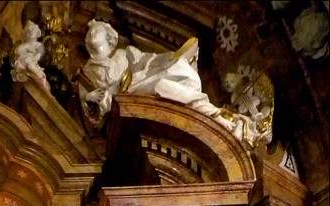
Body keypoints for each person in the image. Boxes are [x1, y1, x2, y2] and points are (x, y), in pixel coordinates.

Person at [79, 19, 236, 135]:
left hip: (138, 83)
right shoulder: (87, 72)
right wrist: (89, 98)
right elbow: (94, 117)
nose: (92, 32)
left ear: (108, 36)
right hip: (126, 98)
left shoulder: (124, 53)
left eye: (97, 29)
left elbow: (150, 60)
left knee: (179, 68)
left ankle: (210, 114)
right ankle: (211, 115)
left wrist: (180, 58)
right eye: (90, 32)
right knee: (162, 85)